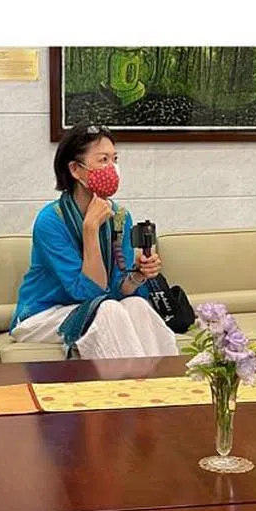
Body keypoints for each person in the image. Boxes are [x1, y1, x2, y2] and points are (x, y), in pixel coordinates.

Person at [10, 124, 178, 359]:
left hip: (97, 306)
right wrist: (90, 230)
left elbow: (117, 290)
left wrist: (138, 276)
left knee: (137, 306)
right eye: (103, 160)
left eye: (115, 159)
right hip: (43, 315)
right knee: (107, 309)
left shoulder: (120, 217)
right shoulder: (51, 220)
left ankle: (168, 377)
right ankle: (132, 381)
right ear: (76, 170)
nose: (112, 168)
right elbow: (88, 292)